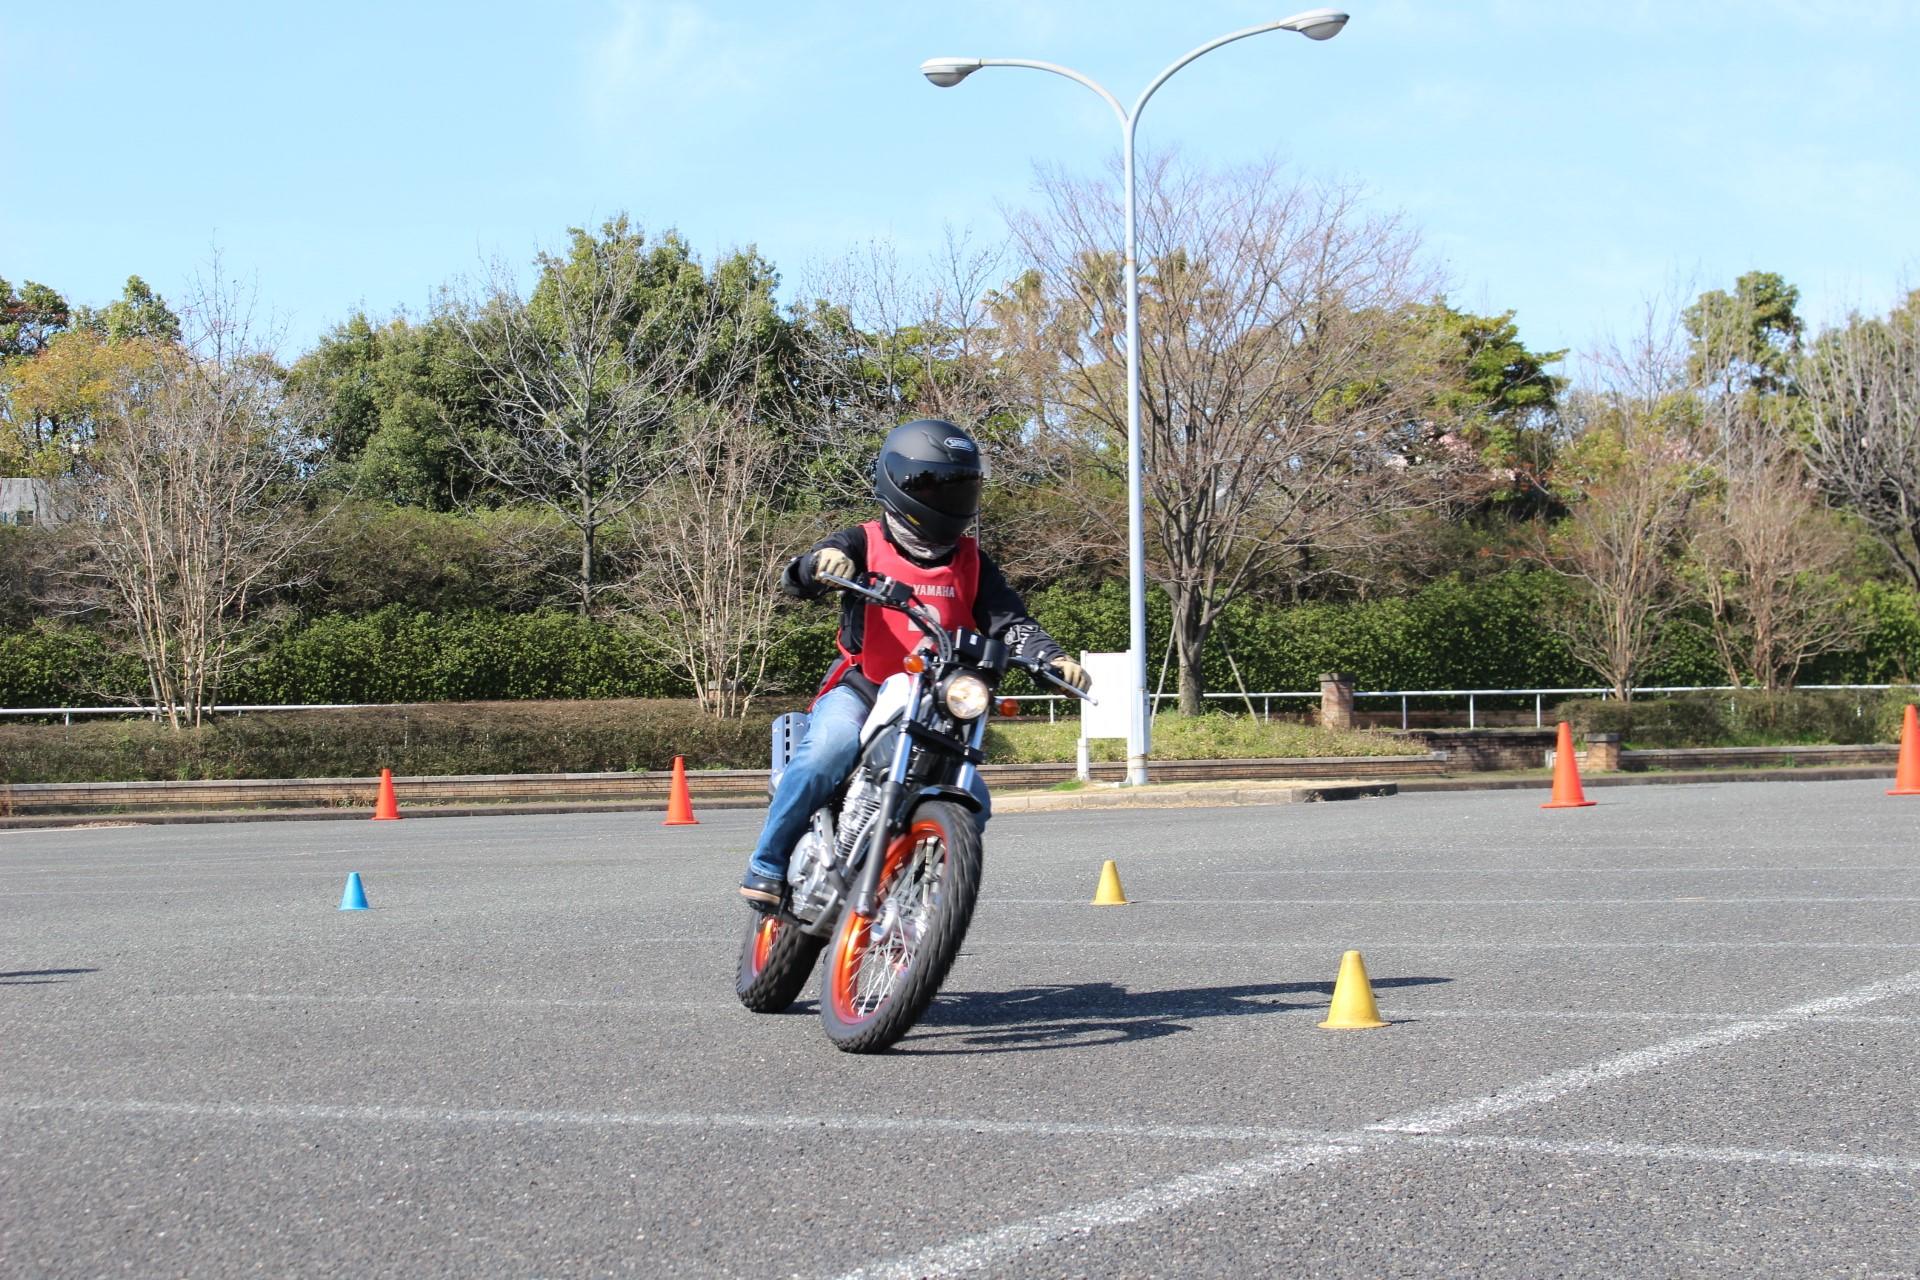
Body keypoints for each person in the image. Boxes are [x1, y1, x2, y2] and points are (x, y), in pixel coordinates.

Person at [739, 418, 1090, 908]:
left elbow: (1010, 621)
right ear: (898, 482)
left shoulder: (972, 561)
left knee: (978, 802)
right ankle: (767, 862)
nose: (951, 498)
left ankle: (910, 891)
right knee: (826, 753)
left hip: (937, 703)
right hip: (864, 686)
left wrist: (1052, 658)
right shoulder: (862, 542)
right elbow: (802, 574)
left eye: (962, 486)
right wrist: (822, 565)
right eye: (935, 485)